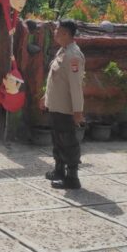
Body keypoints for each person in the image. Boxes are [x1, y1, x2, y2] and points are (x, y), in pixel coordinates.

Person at [41, 19, 85, 189]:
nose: (55, 32)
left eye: (58, 30)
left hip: (66, 108)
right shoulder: (63, 51)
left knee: (68, 141)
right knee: (57, 139)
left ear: (66, 33)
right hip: (56, 105)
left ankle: (72, 178)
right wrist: (45, 98)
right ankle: (59, 170)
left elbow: (76, 86)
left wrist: (78, 111)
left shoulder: (73, 56)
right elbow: (55, 79)